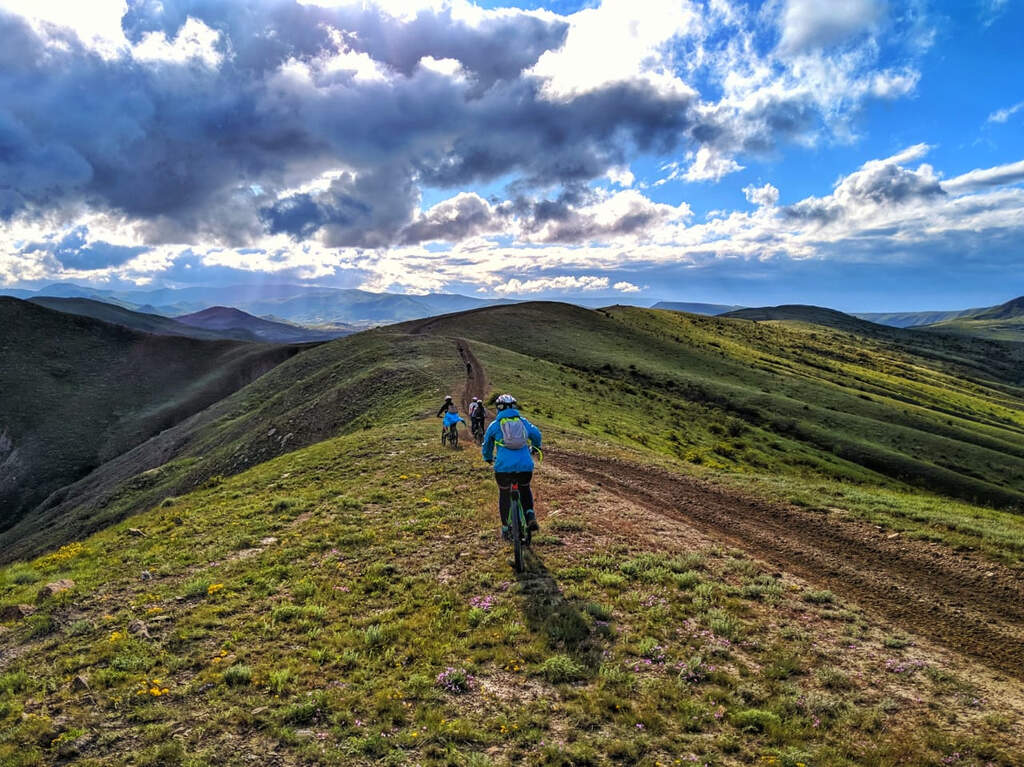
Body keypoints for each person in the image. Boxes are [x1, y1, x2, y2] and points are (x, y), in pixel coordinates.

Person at [481, 394, 542, 540]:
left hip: (503, 469)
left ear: (498, 408)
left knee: (504, 494)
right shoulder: (523, 422)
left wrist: (488, 457)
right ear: (514, 406)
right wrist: (535, 447)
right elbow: (537, 434)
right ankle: (529, 515)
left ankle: (505, 528)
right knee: (525, 488)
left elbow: (487, 444)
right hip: (524, 467)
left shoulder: (495, 425)